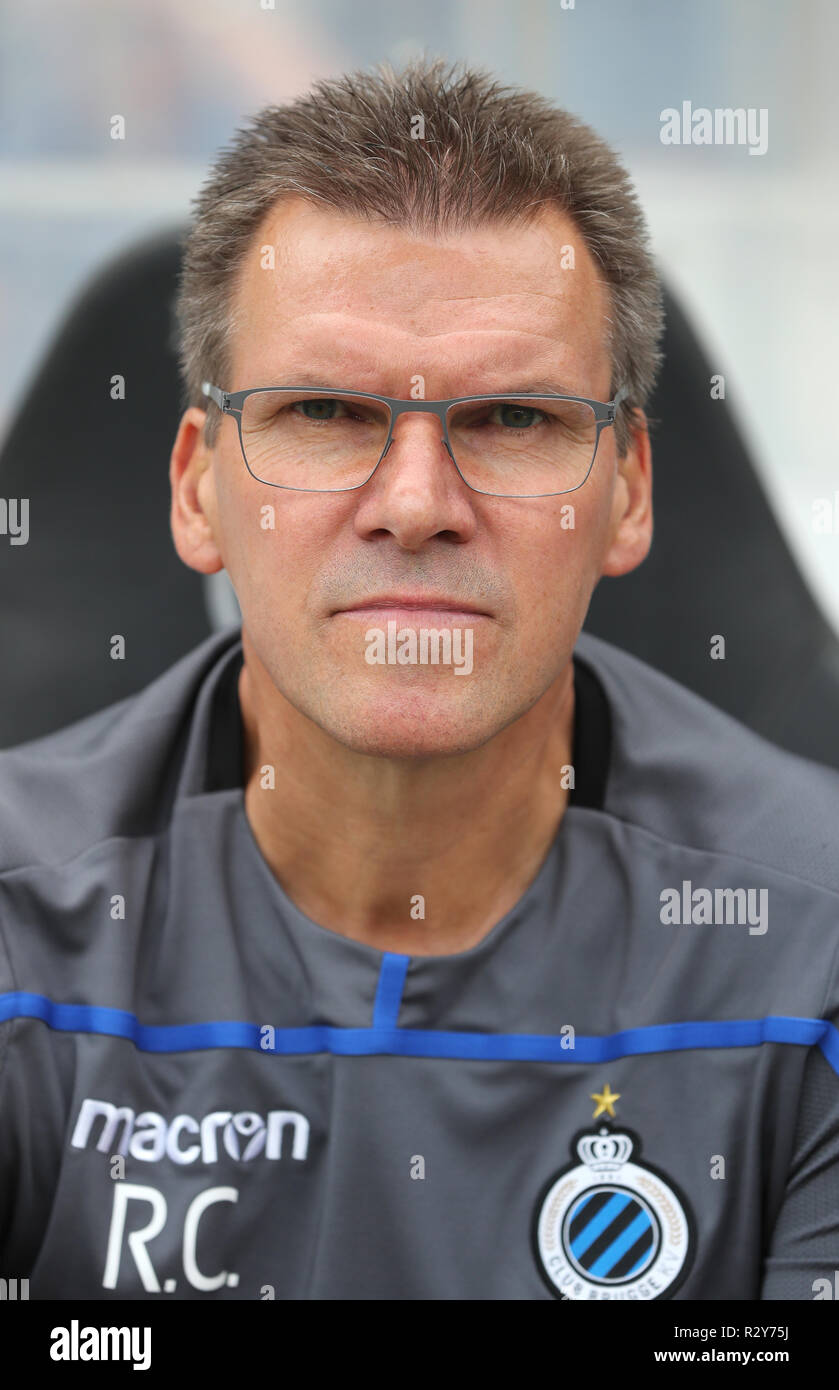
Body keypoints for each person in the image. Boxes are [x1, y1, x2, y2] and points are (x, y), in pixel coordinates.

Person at [1, 57, 837, 1303]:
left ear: (628, 492)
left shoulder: (813, 949)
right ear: (195, 488)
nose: (412, 506)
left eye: (511, 420)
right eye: (324, 411)